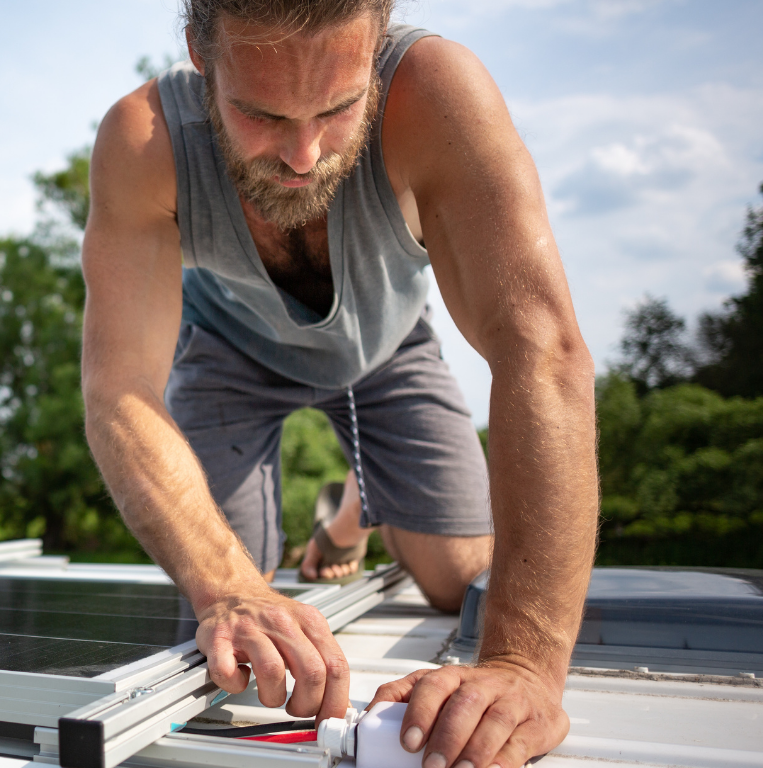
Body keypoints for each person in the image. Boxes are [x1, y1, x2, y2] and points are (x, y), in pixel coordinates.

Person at [79, 1, 599, 767]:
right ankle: (326, 514)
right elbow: (118, 387)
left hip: (387, 347)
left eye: (341, 106)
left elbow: (543, 353)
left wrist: (523, 663)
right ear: (201, 53)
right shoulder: (142, 140)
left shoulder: (437, 91)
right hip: (230, 351)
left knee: (462, 586)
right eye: (260, 114)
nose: (302, 154)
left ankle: (352, 513)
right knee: (238, 616)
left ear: (378, 43)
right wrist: (229, 586)